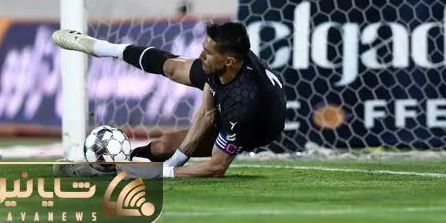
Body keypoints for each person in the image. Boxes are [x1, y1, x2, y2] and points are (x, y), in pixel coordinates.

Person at [52, 21, 287, 179]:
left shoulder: (242, 106)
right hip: (234, 93)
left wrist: (164, 172)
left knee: (184, 155)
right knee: (161, 143)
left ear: (229, 61)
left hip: (258, 127)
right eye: (203, 48)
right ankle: (102, 48)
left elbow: (216, 167)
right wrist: (175, 161)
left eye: (208, 53)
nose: (200, 56)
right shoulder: (222, 64)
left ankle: (98, 170)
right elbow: (208, 113)